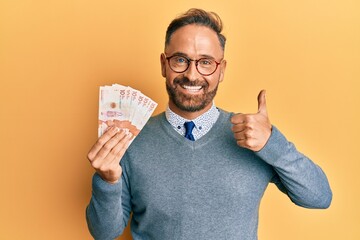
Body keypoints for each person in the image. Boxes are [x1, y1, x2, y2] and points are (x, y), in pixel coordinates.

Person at [86, 8, 332, 240]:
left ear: (221, 70)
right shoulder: (131, 139)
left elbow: (319, 197)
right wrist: (107, 181)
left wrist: (272, 143)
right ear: (163, 64)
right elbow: (105, 234)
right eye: (181, 60)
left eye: (205, 62)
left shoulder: (254, 138)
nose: (192, 75)